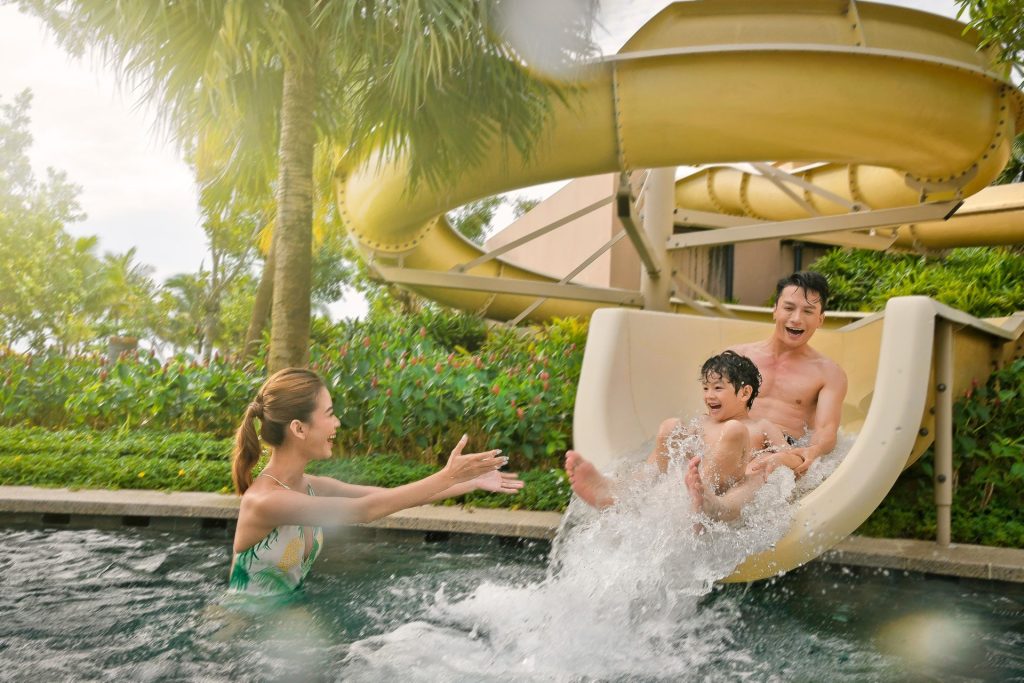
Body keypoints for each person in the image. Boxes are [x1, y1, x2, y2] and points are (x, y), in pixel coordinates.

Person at [227, 367, 521, 596]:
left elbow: (390, 496)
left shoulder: (311, 486)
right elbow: (365, 511)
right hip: (244, 626)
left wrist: (471, 481)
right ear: (299, 428)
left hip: (282, 617)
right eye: (329, 415)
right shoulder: (265, 500)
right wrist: (447, 474)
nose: (337, 423)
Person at [565, 351, 802, 514]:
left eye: (718, 388)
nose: (709, 395)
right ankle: (618, 492)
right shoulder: (701, 423)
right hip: (687, 487)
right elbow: (673, 456)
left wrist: (779, 458)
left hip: (730, 488)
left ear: (744, 393)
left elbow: (794, 458)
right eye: (706, 388)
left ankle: (715, 506)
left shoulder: (760, 427)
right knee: (671, 426)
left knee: (740, 442)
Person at [728, 271, 848, 476]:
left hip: (779, 450)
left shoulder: (829, 373)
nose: (796, 319)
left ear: (820, 319)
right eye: (789, 308)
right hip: (734, 440)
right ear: (775, 310)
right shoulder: (739, 356)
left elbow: (826, 429)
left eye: (808, 312)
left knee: (762, 466)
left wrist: (812, 451)